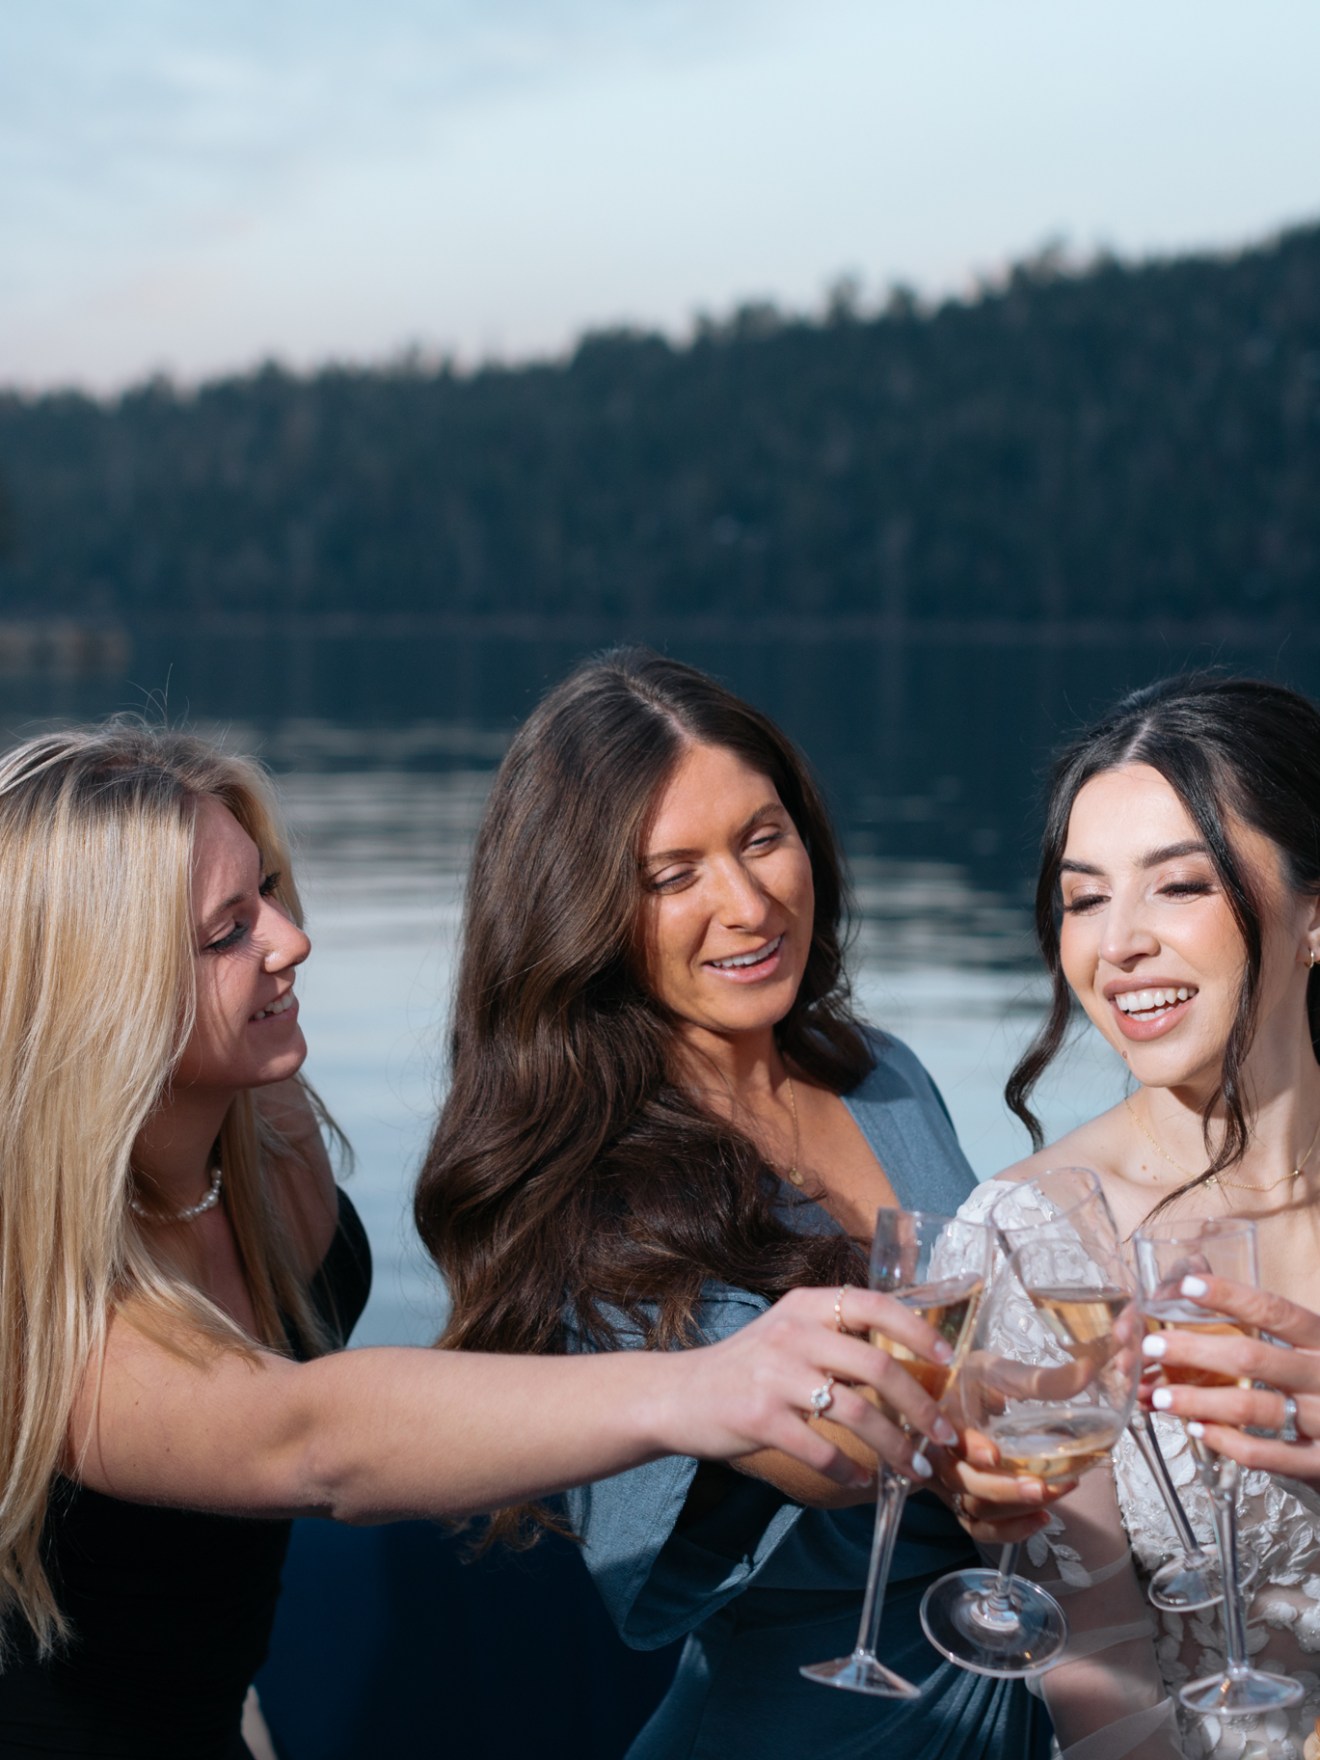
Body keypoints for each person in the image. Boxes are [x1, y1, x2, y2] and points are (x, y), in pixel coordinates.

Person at [0, 719, 983, 1760]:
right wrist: (706, 1384)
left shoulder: (267, 1132)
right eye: (226, 930)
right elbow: (302, 1438)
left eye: (273, 891)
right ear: (96, 991)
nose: (292, 940)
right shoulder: (27, 1289)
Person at [416, 648, 1057, 1760]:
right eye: (674, 875)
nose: (749, 903)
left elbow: (983, 1341)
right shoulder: (584, 1178)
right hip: (808, 1721)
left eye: (763, 837)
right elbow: (818, 1448)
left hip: (1011, 1686)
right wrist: (1037, 1420)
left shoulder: (885, 1071)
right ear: (581, 911)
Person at [965, 673, 1320, 1760]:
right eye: (1083, 897)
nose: (1116, 945)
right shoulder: (1032, 1245)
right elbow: (1104, 1701)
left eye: (1179, 886)